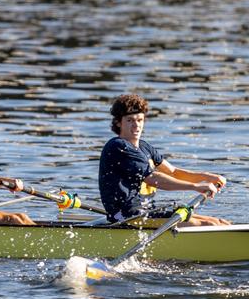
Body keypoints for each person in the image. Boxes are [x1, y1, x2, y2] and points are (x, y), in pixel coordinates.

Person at [98, 94, 229, 226]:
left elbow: (172, 172)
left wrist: (207, 177)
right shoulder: (118, 146)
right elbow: (154, 179)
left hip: (146, 212)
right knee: (210, 225)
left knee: (219, 222)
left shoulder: (144, 147)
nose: (136, 125)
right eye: (130, 120)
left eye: (139, 120)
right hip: (126, 217)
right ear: (118, 123)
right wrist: (195, 187)